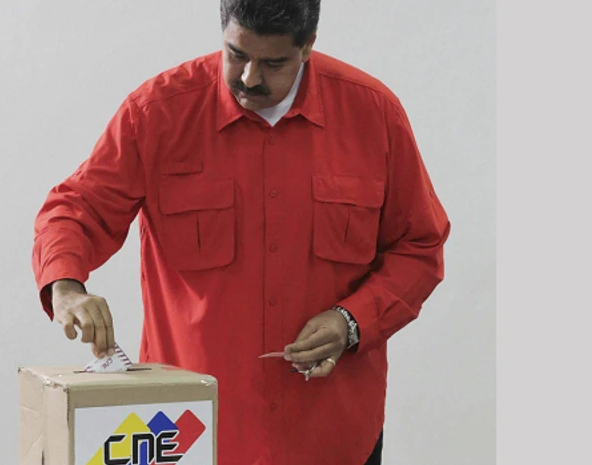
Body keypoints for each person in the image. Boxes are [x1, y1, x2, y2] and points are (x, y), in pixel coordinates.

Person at [31, 1, 450, 463]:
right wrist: (66, 287)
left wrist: (351, 321)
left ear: (307, 46)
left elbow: (420, 246)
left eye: (273, 63)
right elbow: (75, 209)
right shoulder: (156, 114)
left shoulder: (374, 115)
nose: (249, 78)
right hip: (188, 432)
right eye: (236, 54)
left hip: (332, 435)